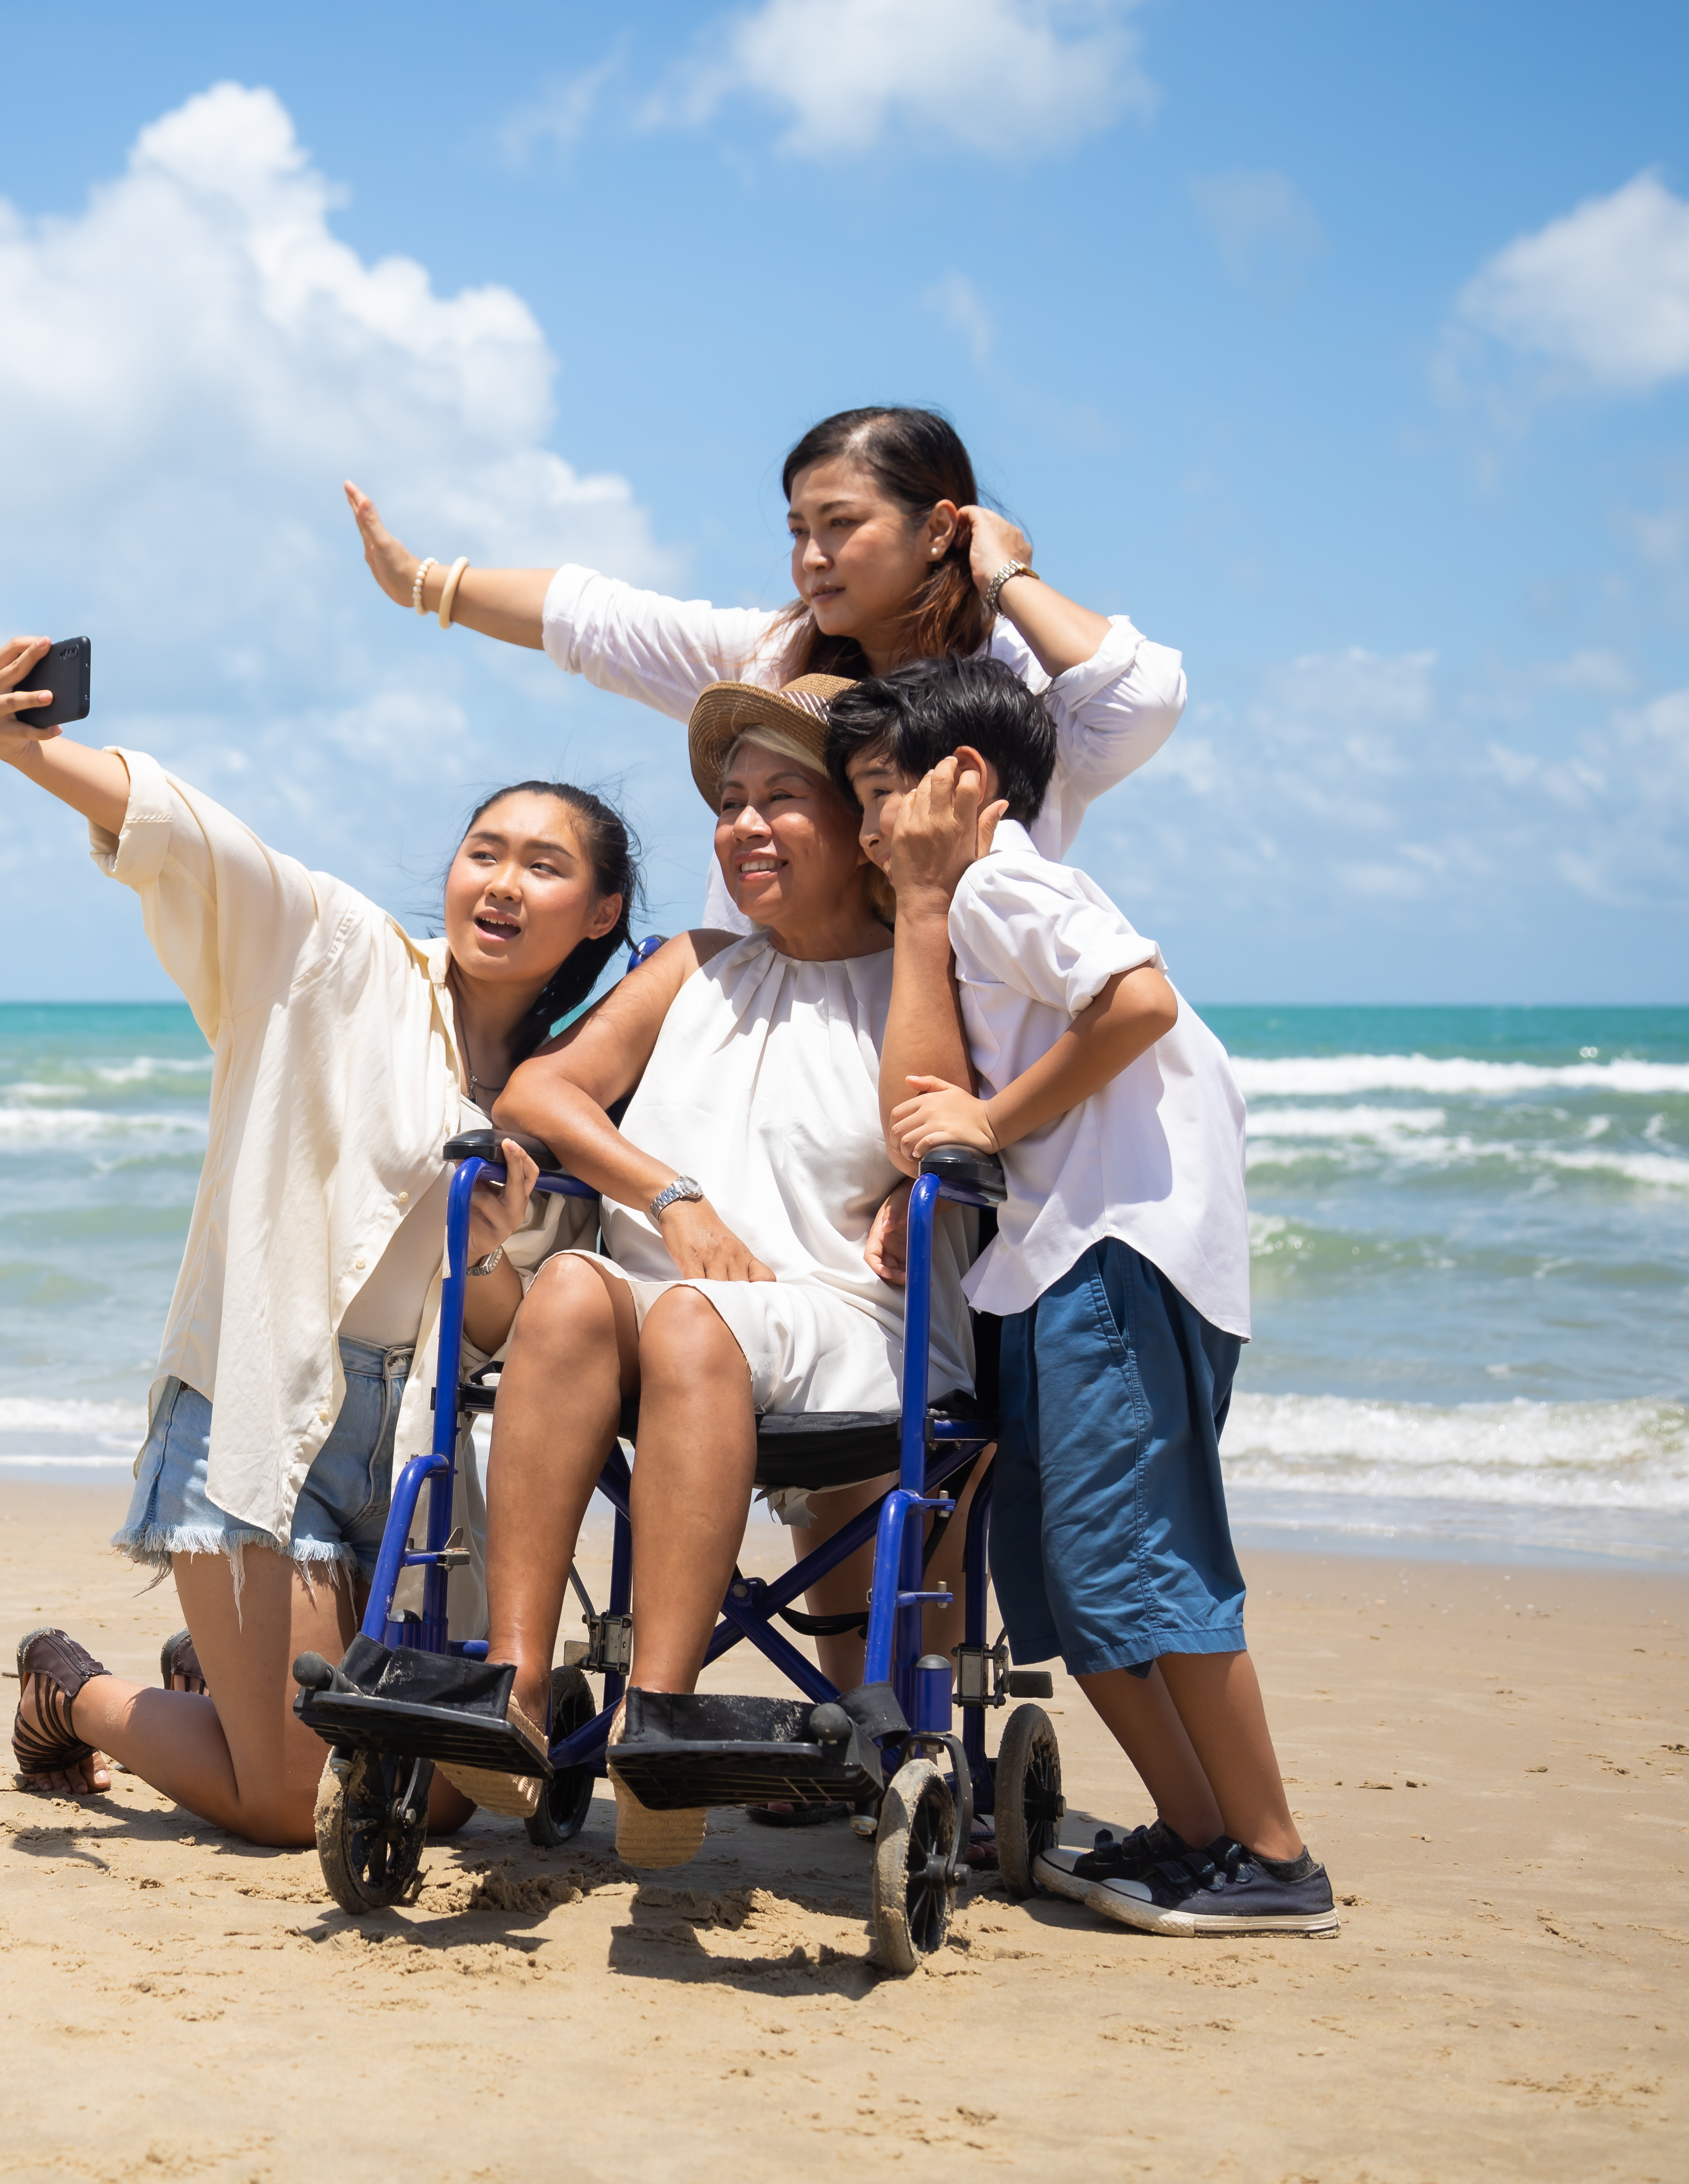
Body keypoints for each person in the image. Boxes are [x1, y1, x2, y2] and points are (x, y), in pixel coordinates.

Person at [0, 634, 641, 1850]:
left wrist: (492, 1251)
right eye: (483, 852)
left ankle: (221, 1675)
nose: (501, 883)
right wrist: (40, 753)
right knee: (296, 1804)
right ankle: (70, 1688)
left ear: (600, 914)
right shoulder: (341, 956)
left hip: (418, 1455)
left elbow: (501, 1333)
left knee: (441, 1795)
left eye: (544, 868)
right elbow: (209, 849)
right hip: (262, 1408)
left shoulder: (579, 1097)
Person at [833, 653, 1342, 1937]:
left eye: (880, 792)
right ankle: (1196, 1835)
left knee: (1134, 1555)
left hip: (1115, 1258)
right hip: (1062, 1264)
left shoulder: (1009, 880)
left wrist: (990, 1119)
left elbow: (1137, 1000)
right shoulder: (968, 905)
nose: (865, 826)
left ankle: (1271, 1856)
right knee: (1065, 1567)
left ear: (965, 779)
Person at [467, 675, 976, 1868]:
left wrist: (921, 912)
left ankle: (661, 1716)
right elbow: (538, 1091)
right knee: (575, 1288)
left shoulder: (918, 971)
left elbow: (936, 1124)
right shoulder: (695, 964)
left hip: (847, 1317)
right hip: (672, 1306)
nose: (744, 824)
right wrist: (666, 1192)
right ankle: (518, 1691)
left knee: (694, 1318)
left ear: (864, 823)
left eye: (781, 798)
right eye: (731, 801)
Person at [344, 404, 1182, 929]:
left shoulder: (1017, 681)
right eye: (796, 531)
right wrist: (424, 584)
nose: (812, 558)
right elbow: (595, 617)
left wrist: (1004, 577)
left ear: (938, 530)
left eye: (840, 524)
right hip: (774, 1012)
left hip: (952, 1049)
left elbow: (1142, 697)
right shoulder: (778, 658)